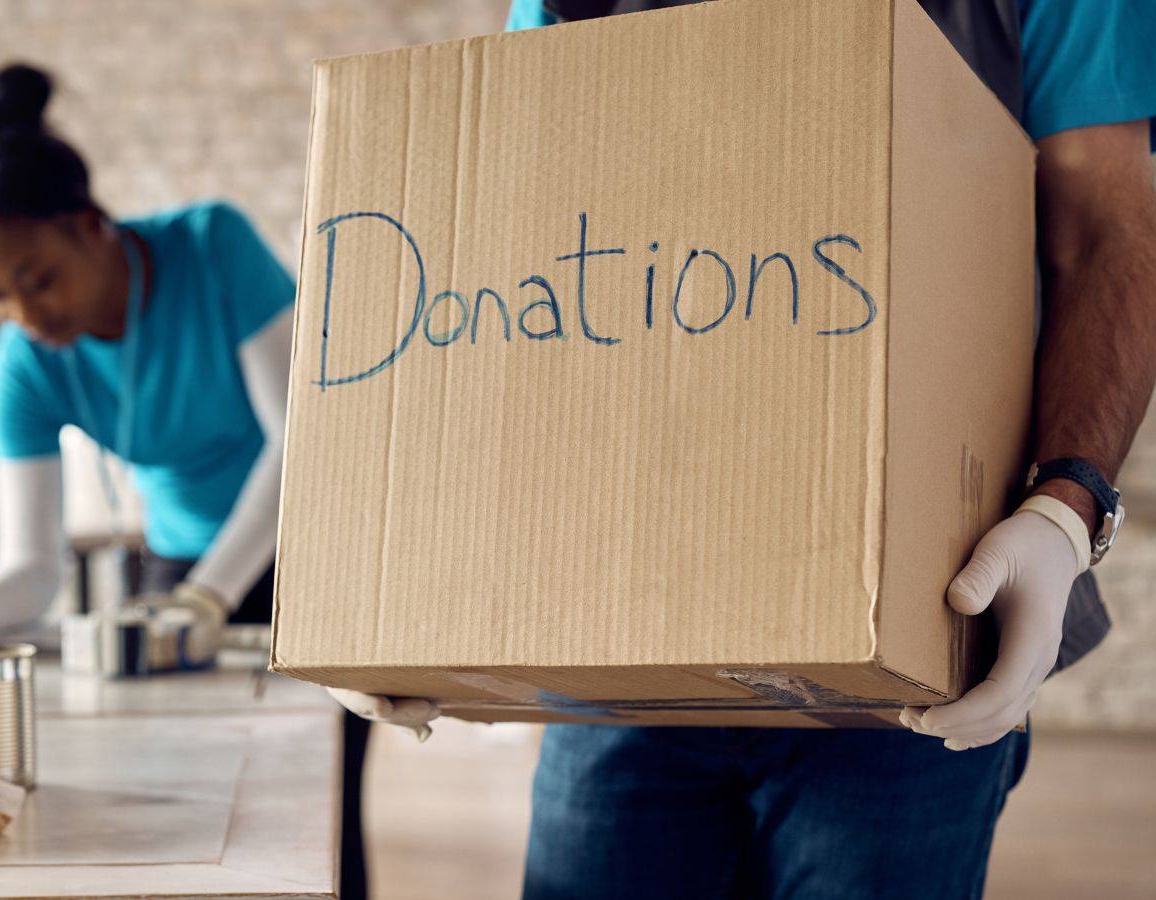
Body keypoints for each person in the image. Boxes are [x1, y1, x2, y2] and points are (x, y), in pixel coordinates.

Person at [336, 2, 1156, 897]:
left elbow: (1107, 228)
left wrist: (1065, 512)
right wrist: (404, 597)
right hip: (622, 632)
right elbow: (525, 264)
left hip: (921, 648)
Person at [0, 63, 370, 899]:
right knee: (196, 808)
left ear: (90, 226)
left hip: (305, 561)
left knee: (311, 816)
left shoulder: (211, 247)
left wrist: (215, 597)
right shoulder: (25, 367)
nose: (26, 316)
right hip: (179, 573)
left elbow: (302, 442)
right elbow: (33, 567)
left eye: (36, 278)